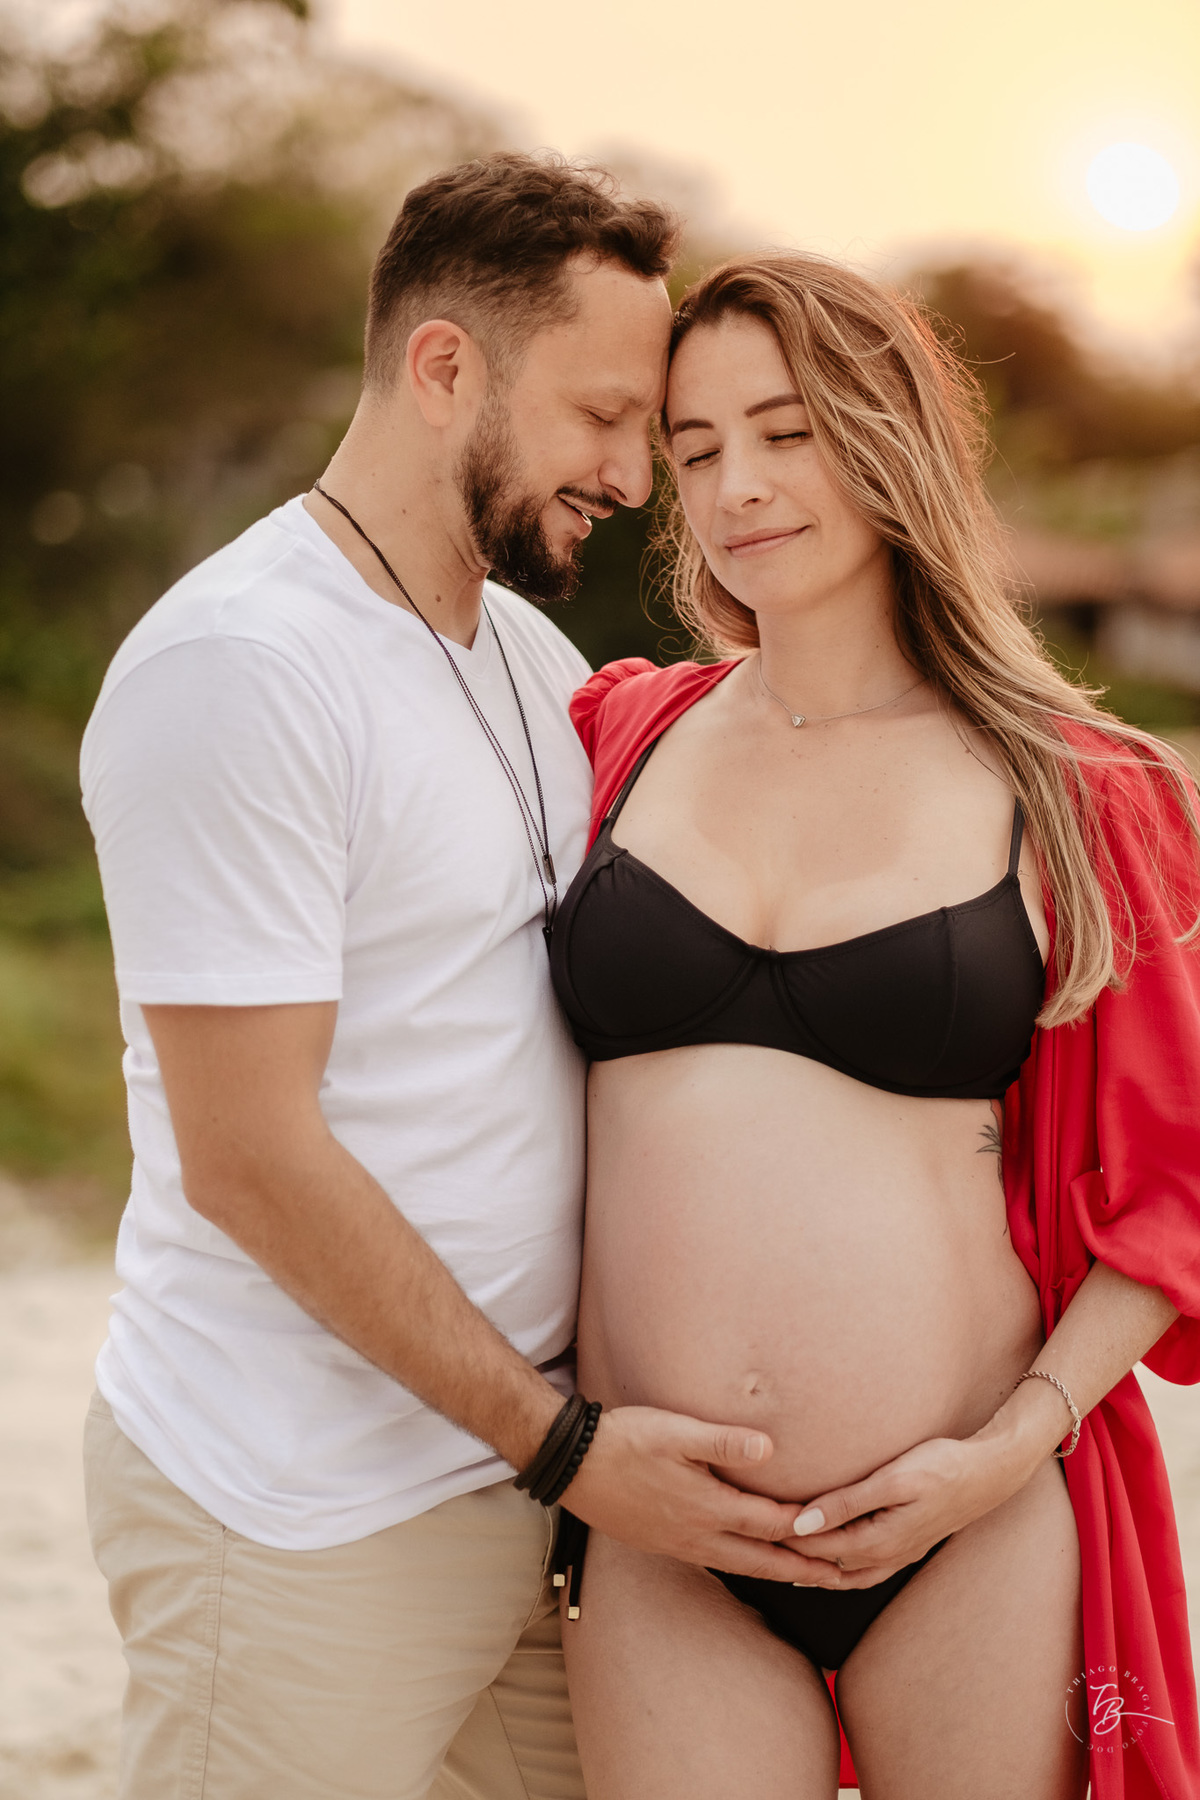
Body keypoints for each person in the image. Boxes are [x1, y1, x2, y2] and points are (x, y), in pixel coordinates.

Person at [80, 158, 819, 1800]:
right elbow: (251, 1154)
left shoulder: (522, 649)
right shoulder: (242, 671)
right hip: (296, 1510)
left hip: (517, 1492)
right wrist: (563, 1445)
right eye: (605, 418)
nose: (640, 474)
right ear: (442, 370)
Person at [549, 252, 1200, 1800]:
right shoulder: (616, 733)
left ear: (887, 432)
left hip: (966, 1518)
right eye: (694, 450)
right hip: (663, 1534)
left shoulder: (1086, 791)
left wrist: (1005, 1450)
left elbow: (1176, 1190)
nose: (737, 487)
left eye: (786, 432)